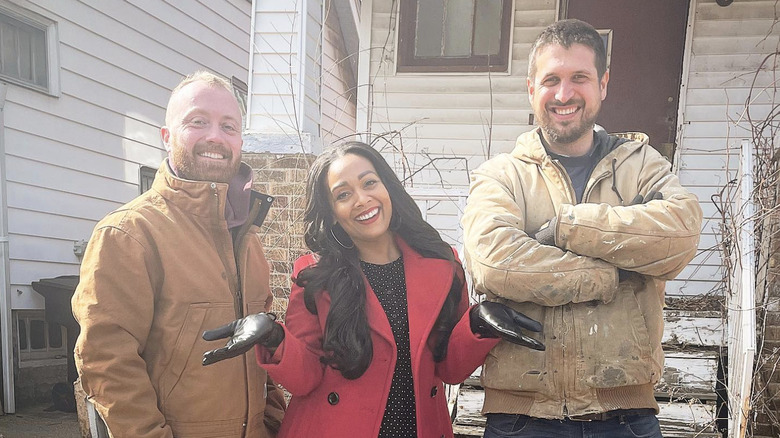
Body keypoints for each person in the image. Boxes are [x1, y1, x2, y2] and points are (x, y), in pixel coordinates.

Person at [201, 141, 545, 438]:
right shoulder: (315, 275)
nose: (362, 200)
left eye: (369, 183)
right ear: (332, 213)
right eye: (343, 194)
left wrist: (477, 324)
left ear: (387, 187)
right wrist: (274, 338)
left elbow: (448, 369)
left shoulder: (443, 265)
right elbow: (305, 379)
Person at [460, 19, 703, 438]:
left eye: (580, 78)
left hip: (626, 417)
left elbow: (678, 236)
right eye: (551, 79)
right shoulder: (501, 175)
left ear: (603, 84)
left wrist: (568, 227)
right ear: (531, 88)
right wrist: (608, 274)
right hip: (522, 418)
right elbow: (494, 263)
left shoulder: (641, 165)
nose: (564, 93)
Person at [72, 71, 286, 438]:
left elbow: (258, 358)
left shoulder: (247, 237)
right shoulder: (128, 233)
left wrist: (275, 423)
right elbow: (107, 361)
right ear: (167, 138)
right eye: (198, 122)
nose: (215, 136)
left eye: (229, 126)